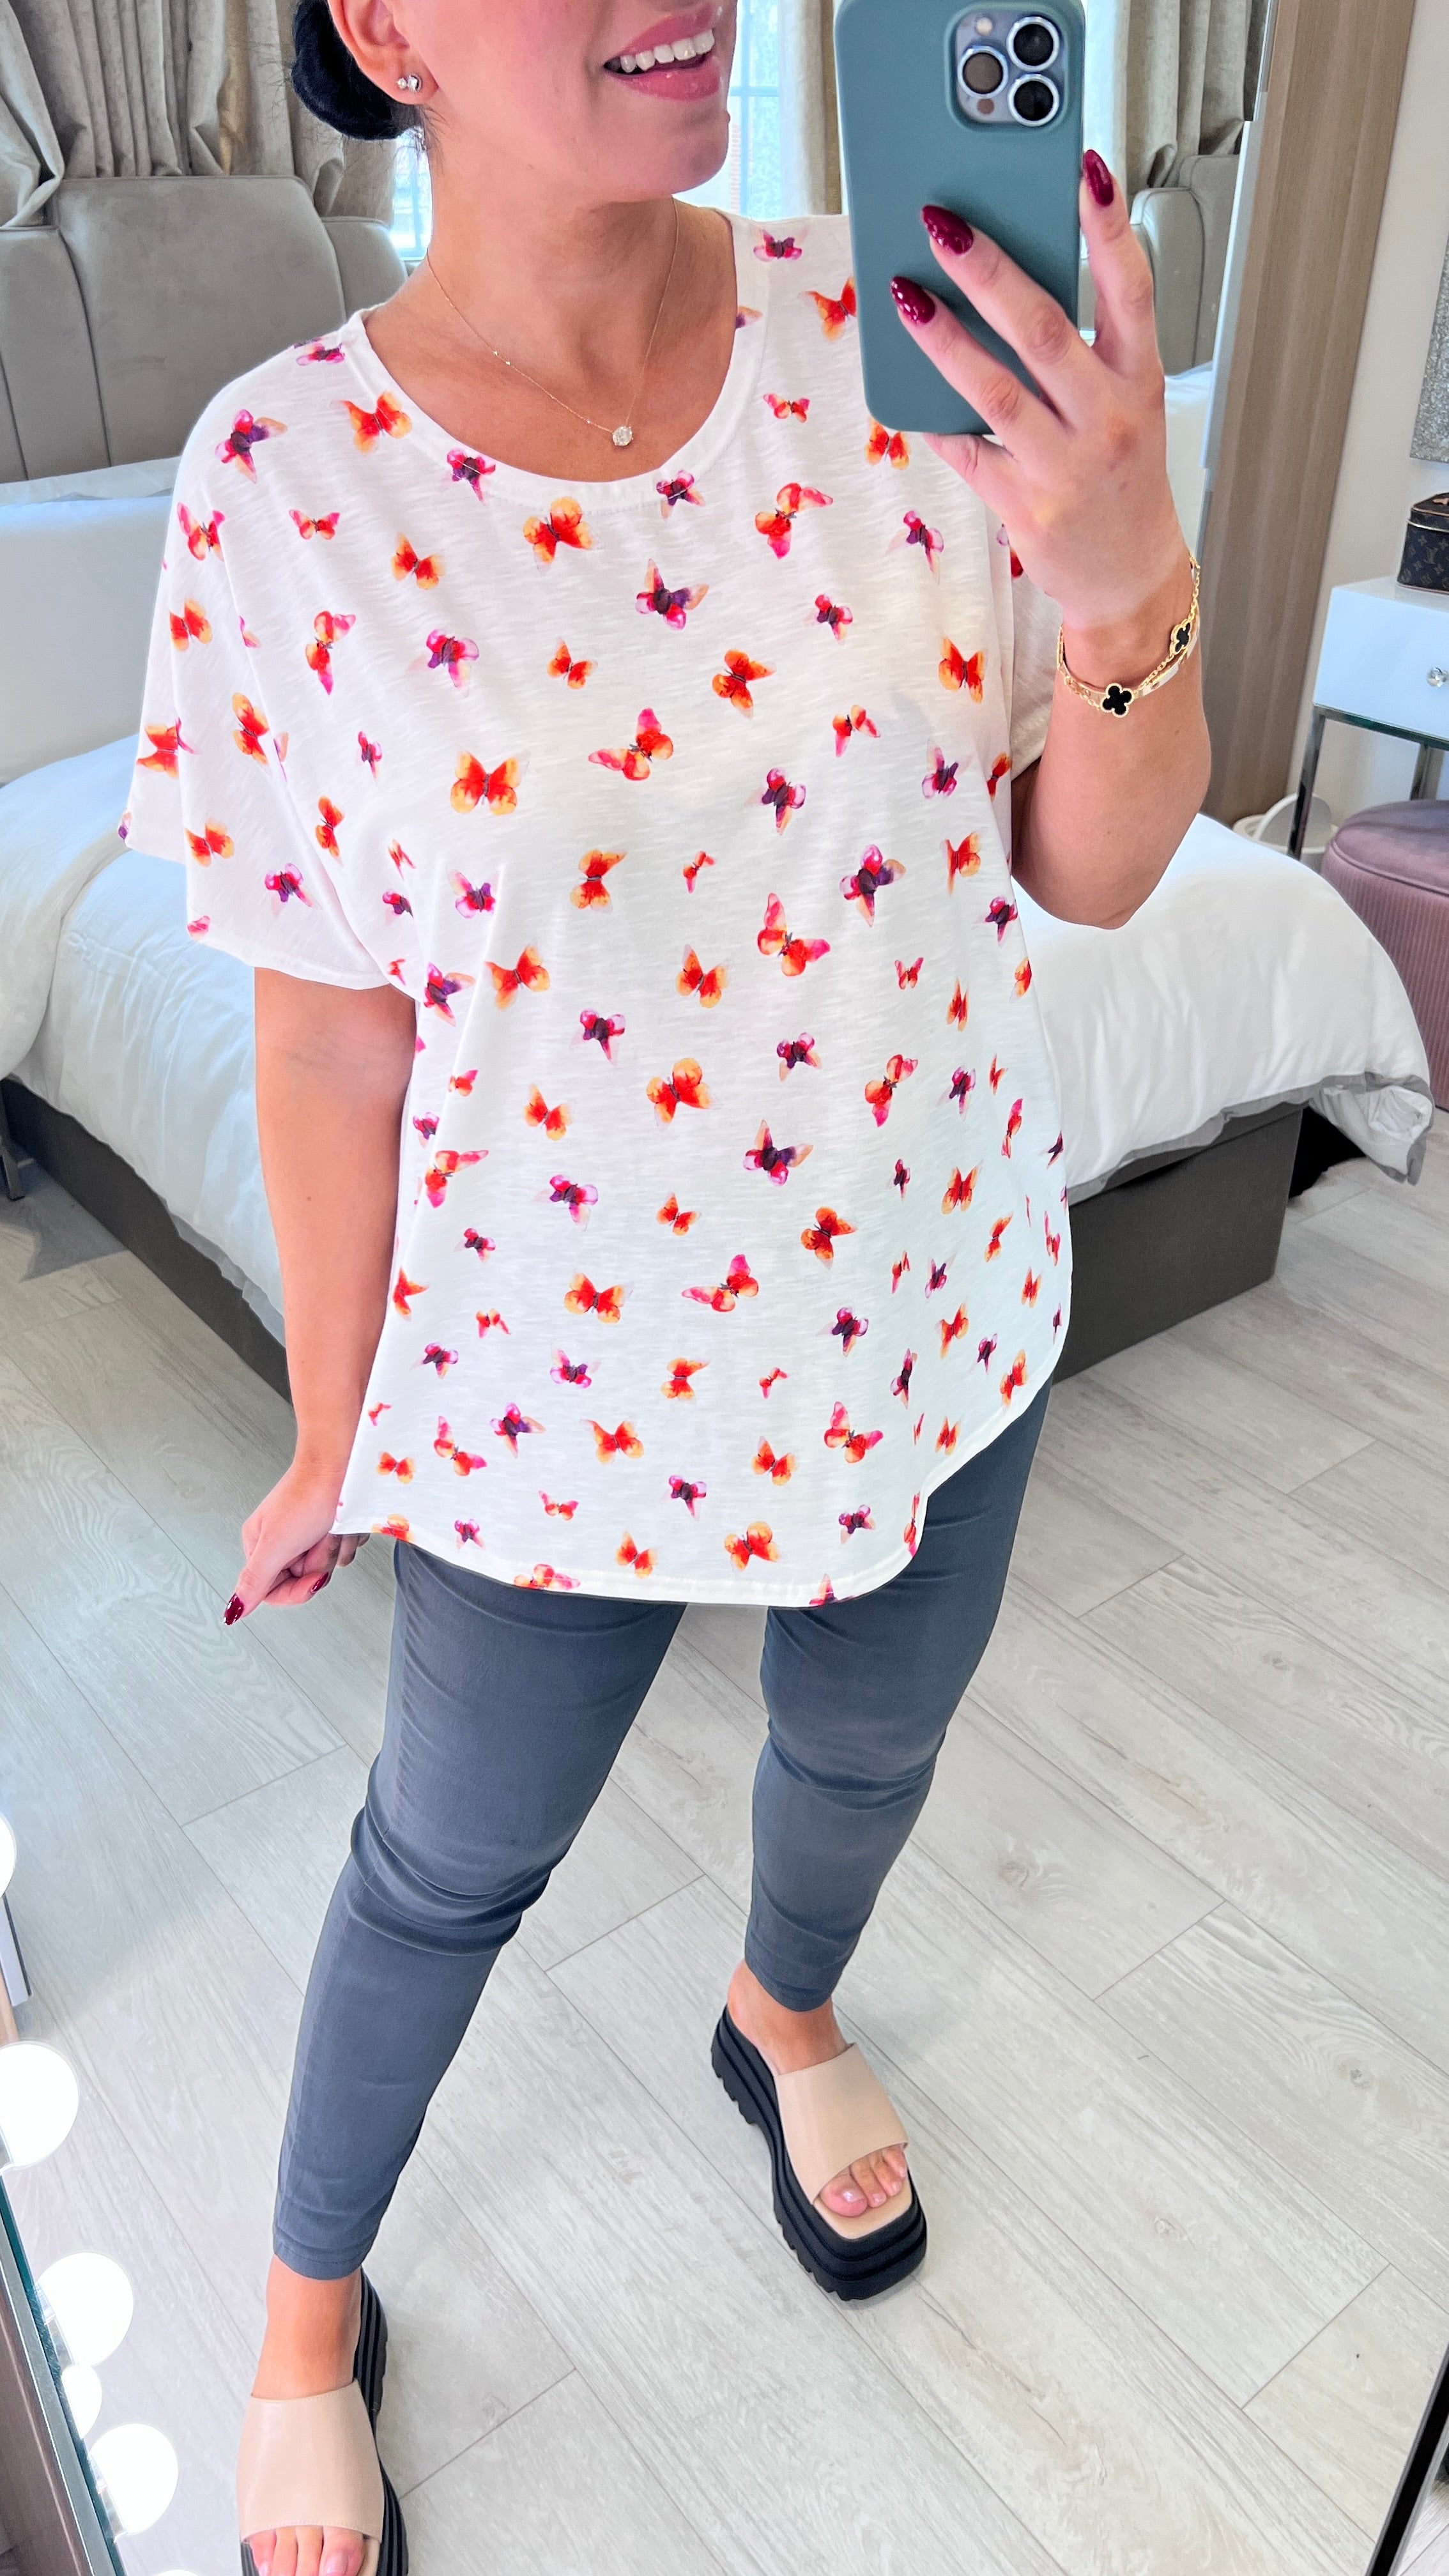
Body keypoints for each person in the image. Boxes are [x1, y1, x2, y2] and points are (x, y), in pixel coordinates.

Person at [123, 3, 1209, 2568]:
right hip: (547, 1385)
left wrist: (1126, 568)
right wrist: (333, 1426)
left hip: (933, 1300)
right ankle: (303, 2311)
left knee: (869, 1753)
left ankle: (779, 2011)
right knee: (446, 1864)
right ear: (380, 25)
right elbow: (328, 1024)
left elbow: (1095, 869)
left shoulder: (917, 324)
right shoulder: (281, 482)